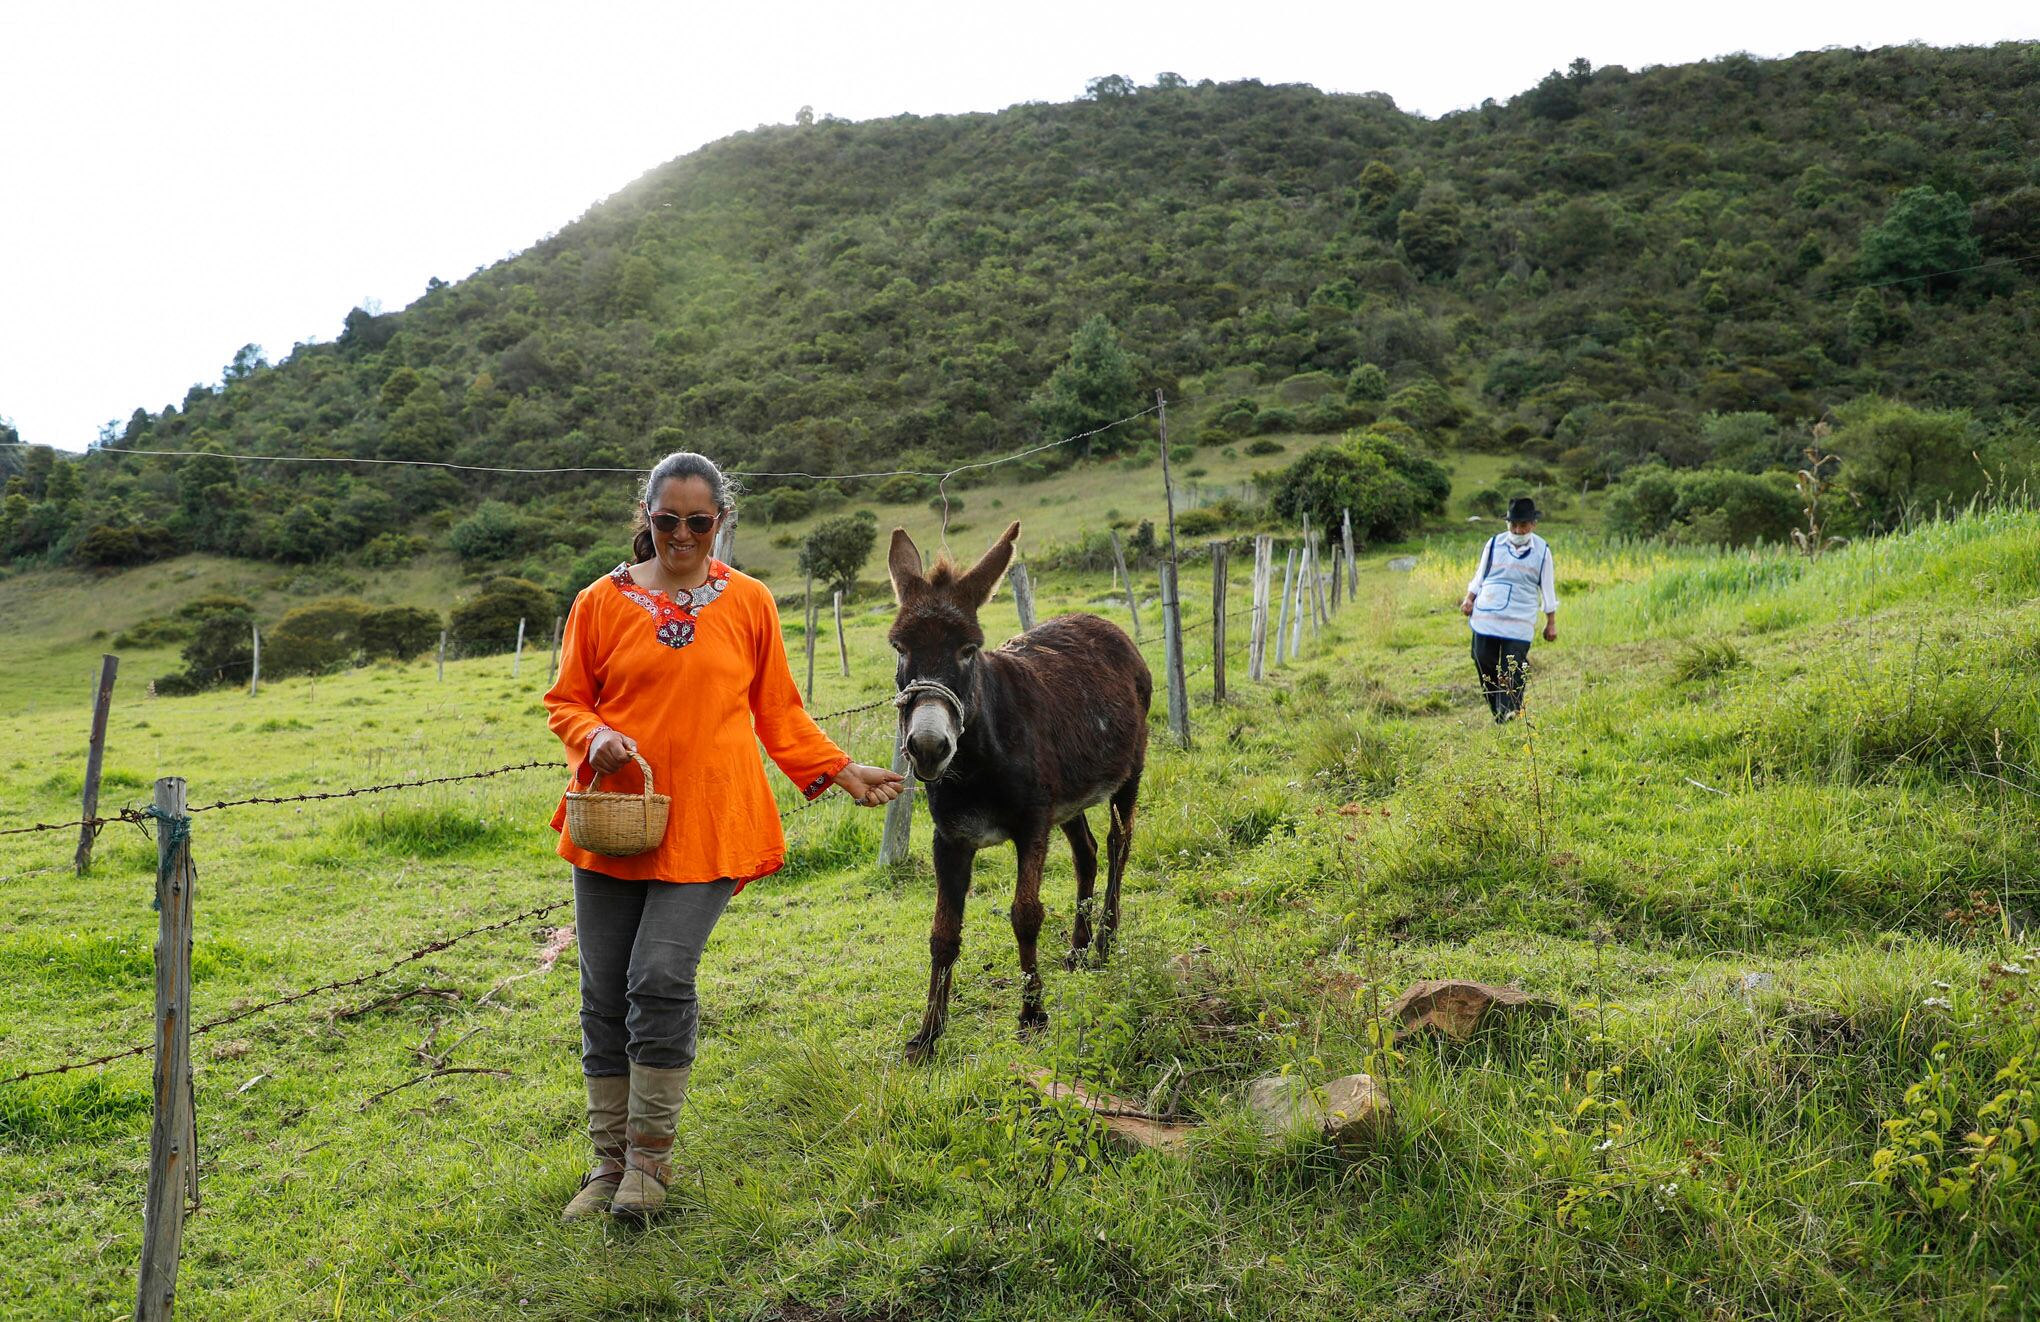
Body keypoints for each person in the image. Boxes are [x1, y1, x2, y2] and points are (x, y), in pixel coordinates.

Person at [543, 450, 904, 1223]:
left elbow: (779, 711)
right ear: (646, 518)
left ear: (721, 522)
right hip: (614, 818)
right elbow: (567, 701)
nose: (681, 534)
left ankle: (651, 1161)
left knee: (661, 977)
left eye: (697, 521)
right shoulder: (598, 604)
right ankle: (606, 1166)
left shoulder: (749, 603)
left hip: (711, 821)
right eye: (666, 519)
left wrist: (840, 770)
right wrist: (593, 735)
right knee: (604, 994)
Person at [1459, 496, 1558, 723]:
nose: (1517, 529)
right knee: (1482, 657)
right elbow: (1480, 576)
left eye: (1522, 525)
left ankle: (1511, 711)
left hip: (1519, 618)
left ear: (1533, 525)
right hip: (1488, 614)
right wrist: (1469, 599)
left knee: (1513, 665)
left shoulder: (1542, 551)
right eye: (1513, 524)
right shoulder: (1494, 543)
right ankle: (1498, 709)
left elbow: (1548, 589)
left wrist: (1550, 622)